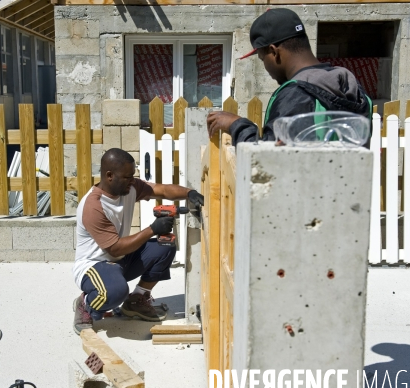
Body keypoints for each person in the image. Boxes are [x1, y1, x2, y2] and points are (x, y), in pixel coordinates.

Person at [72, 148, 204, 334]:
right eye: (127, 177)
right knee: (115, 292)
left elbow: (163, 190)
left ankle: (136, 300)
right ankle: (85, 304)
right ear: (109, 176)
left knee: (165, 246)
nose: (132, 181)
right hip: (94, 266)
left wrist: (190, 193)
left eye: (133, 176)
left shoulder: (129, 188)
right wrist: (152, 229)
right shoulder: (93, 206)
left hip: (120, 260)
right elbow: (115, 248)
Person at [207, 8, 372, 145]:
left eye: (263, 58)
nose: (266, 67)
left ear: (274, 52)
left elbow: (268, 164)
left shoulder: (296, 94)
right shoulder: (351, 86)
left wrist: (238, 125)